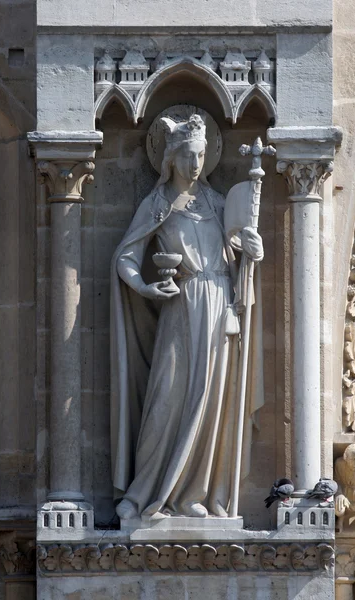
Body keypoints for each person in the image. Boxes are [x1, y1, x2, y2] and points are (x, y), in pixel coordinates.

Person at [110, 113, 264, 520]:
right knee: (167, 398)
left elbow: (239, 258)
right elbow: (126, 256)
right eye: (188, 156)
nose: (196, 164)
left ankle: (196, 494)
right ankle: (142, 495)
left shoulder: (217, 204)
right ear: (171, 159)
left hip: (219, 307)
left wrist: (252, 250)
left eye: (201, 155)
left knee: (211, 401)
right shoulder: (157, 204)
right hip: (180, 305)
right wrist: (145, 288)